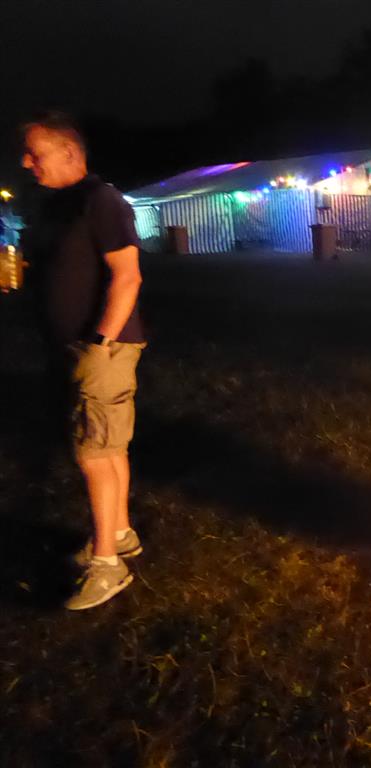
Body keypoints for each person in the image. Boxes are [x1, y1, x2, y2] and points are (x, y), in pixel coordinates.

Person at [20, 112, 146, 609]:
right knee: (107, 446)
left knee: (92, 451)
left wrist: (100, 342)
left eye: (36, 153)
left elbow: (128, 276)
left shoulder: (102, 200)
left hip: (103, 346)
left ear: (70, 152)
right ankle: (119, 534)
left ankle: (107, 566)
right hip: (74, 345)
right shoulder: (58, 205)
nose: (26, 163)